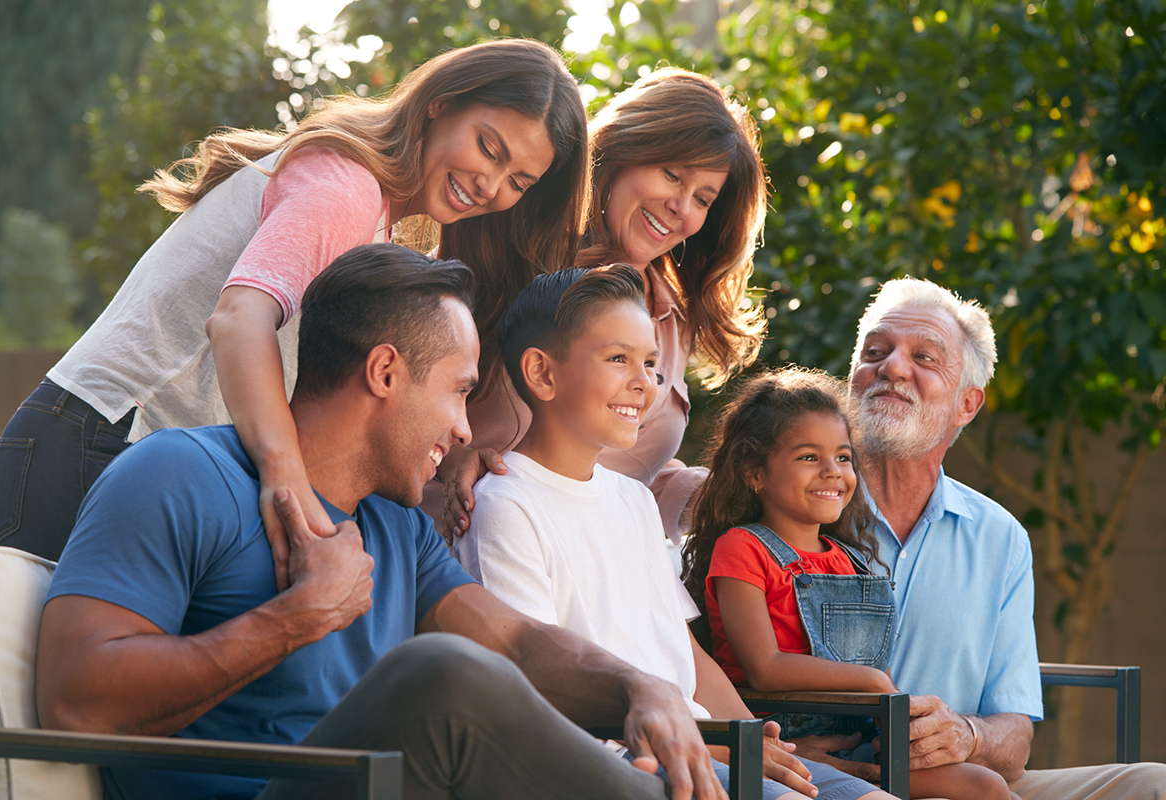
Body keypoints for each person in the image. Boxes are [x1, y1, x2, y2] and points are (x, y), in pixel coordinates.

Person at [34, 244, 733, 800]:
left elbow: (517, 645)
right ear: (386, 372)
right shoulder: (177, 475)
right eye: (459, 392)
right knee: (441, 672)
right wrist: (297, 617)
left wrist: (640, 688)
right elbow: (75, 701)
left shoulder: (397, 528)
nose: (466, 429)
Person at [0, 38, 588, 565]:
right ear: (442, 104)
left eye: (519, 182)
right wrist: (288, 484)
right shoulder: (346, 187)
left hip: (135, 457)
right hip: (99, 445)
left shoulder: (377, 219)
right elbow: (239, 317)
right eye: (489, 147)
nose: (491, 184)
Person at [452, 265, 898, 800]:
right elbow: (535, 682)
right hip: (626, 762)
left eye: (649, 364)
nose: (644, 384)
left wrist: (754, 744)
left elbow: (686, 654)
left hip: (707, 745)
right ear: (542, 374)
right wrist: (719, 749)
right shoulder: (506, 506)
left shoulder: (634, 500)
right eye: (618, 359)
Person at [809, 276, 1165, 798]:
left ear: (967, 405)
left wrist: (966, 734)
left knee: (1151, 784)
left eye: (924, 357)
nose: (891, 367)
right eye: (876, 352)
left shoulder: (1000, 539)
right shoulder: (795, 506)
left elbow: (1015, 740)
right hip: (827, 780)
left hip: (960, 779)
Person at [435, 67, 768, 545]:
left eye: (703, 199)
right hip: (467, 551)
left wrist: (719, 494)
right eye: (672, 174)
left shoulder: (671, 320)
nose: (682, 207)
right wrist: (450, 459)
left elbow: (626, 475)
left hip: (590, 574)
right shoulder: (510, 250)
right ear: (618, 155)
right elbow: (405, 392)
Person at [680, 367, 1018, 800]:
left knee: (986, 785)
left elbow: (879, 669)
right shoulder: (742, 548)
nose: (832, 472)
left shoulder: (853, 561)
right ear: (754, 473)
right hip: (782, 741)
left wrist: (902, 729)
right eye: (808, 457)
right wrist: (872, 683)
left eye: (842, 457)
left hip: (863, 739)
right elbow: (763, 668)